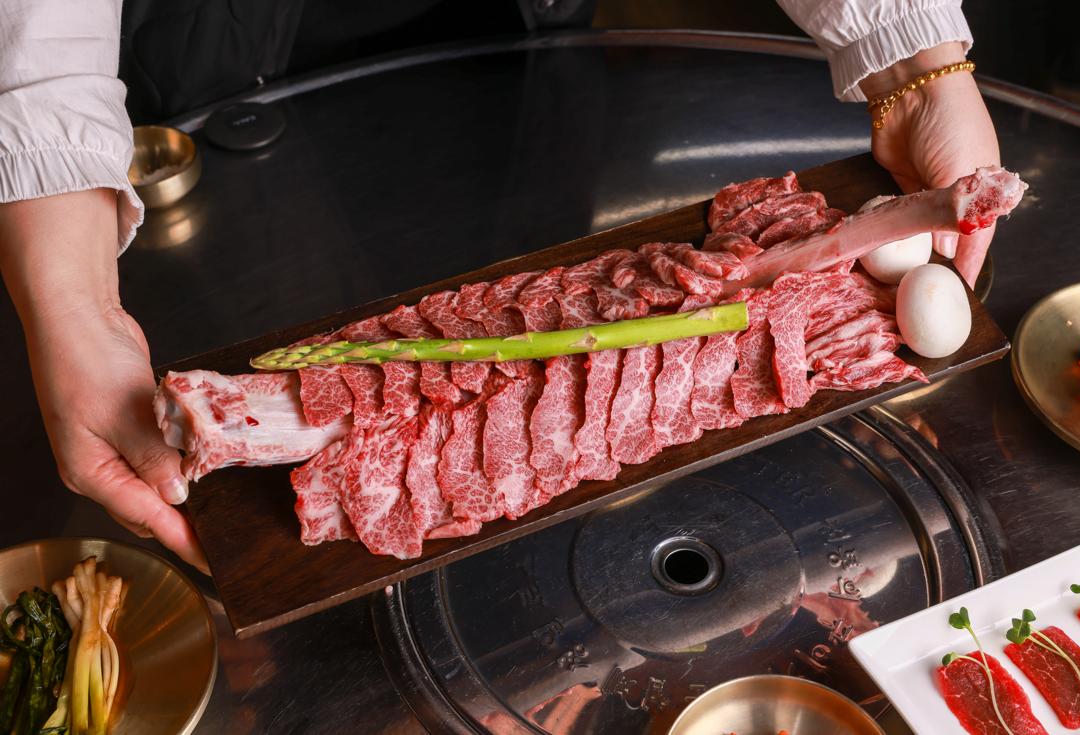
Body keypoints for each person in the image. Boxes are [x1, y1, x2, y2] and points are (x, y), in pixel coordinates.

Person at [0, 0, 999, 573]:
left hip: (515, 30)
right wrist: (73, 297)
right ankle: (248, 418)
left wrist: (908, 57)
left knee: (547, 321)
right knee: (298, 305)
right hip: (234, 60)